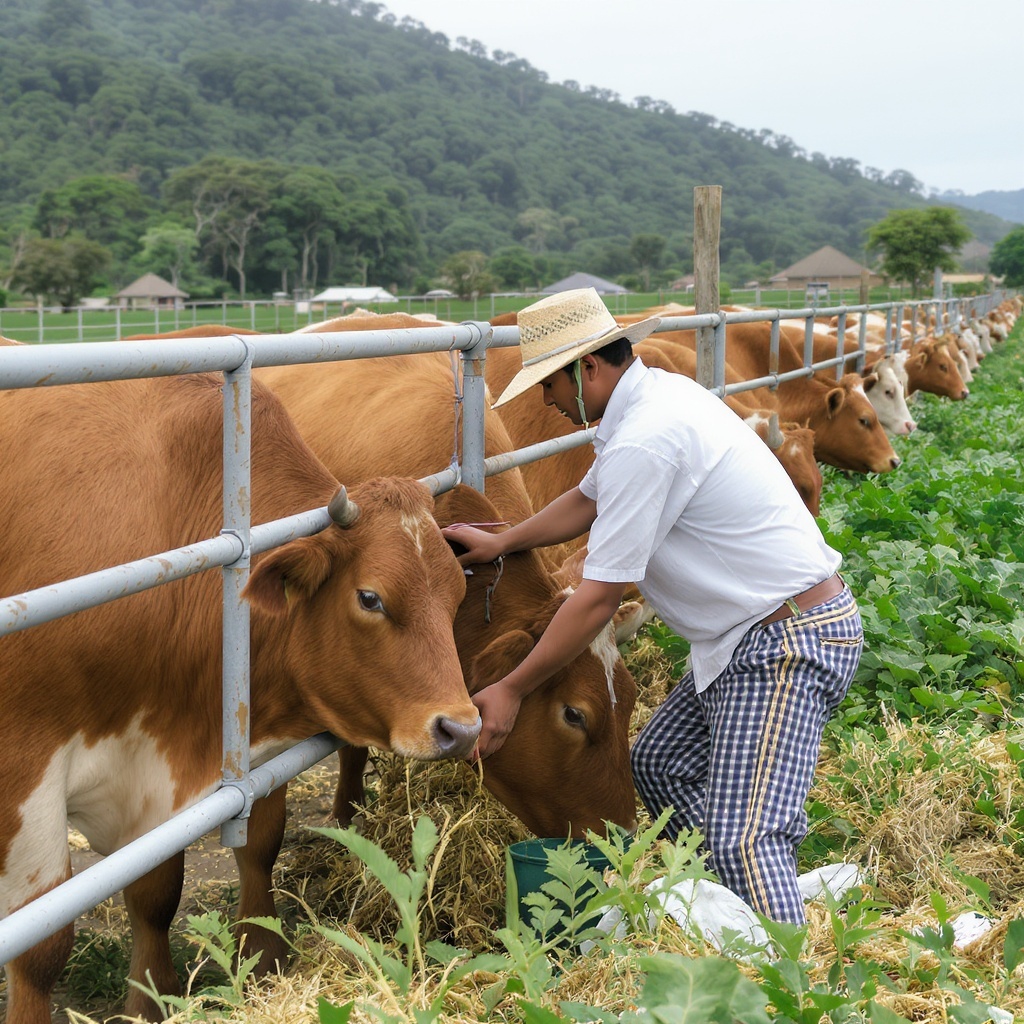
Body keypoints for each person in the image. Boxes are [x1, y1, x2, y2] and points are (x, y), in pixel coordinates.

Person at [444, 287, 863, 923]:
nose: (547, 404)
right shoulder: (654, 402)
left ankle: (789, 978)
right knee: (661, 766)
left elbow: (598, 599)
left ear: (586, 369)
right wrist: (505, 539)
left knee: (748, 837)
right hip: (746, 634)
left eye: (548, 386)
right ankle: (739, 904)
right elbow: (588, 499)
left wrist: (512, 687)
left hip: (786, 641)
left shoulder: (646, 437)